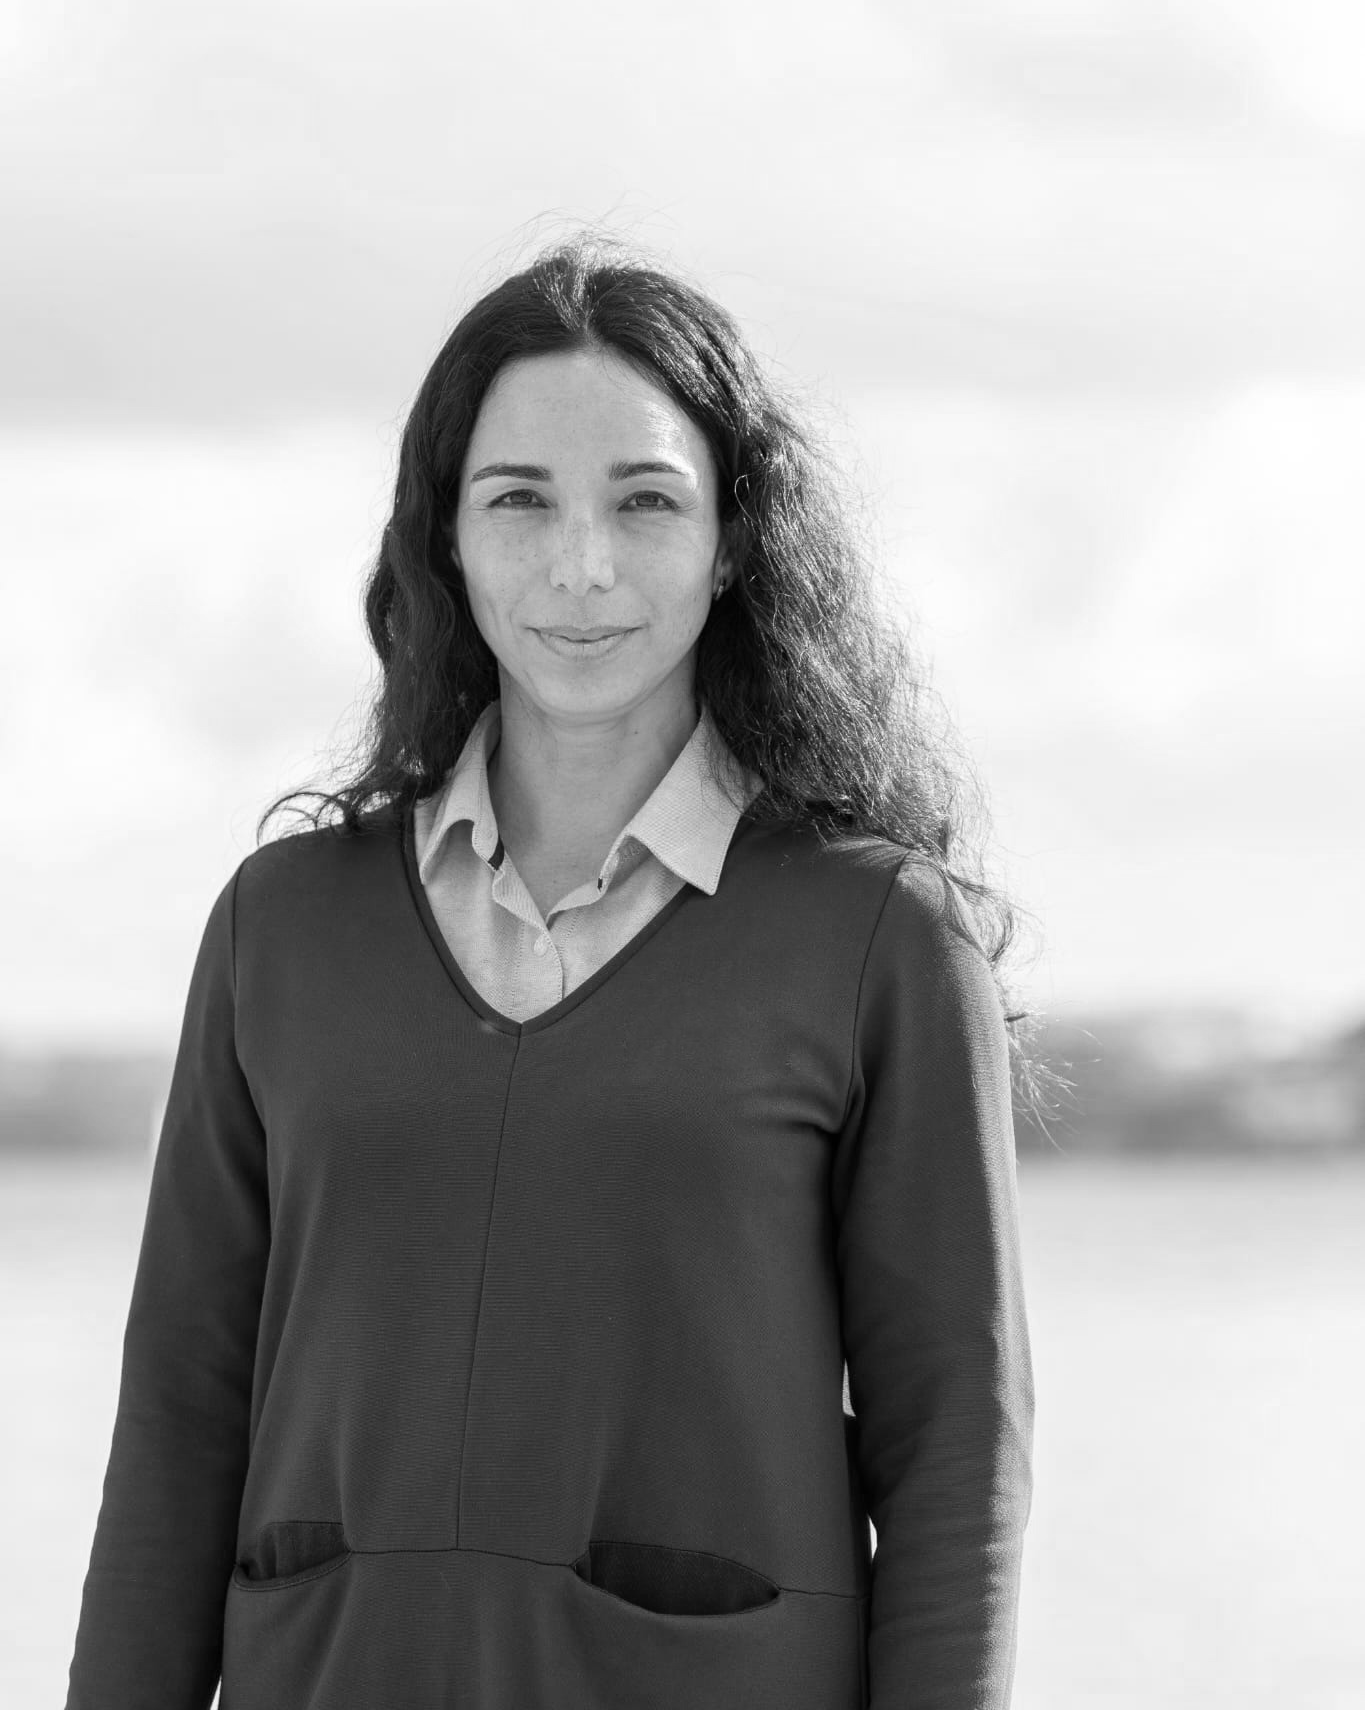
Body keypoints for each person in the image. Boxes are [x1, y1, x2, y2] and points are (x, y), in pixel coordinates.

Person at [65, 233, 1058, 1710]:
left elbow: (952, 1453)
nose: (580, 565)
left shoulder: (878, 942)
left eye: (644, 503)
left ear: (731, 543)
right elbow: (178, 1419)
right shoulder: (280, 927)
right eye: (517, 500)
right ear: (443, 538)